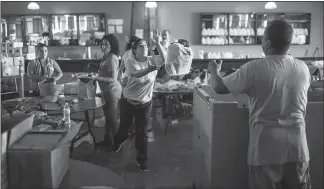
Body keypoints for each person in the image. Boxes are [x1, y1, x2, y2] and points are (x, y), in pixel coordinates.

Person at [207, 20, 311, 189]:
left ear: (268, 43)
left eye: (263, 38)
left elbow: (219, 87)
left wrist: (214, 71)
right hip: (298, 149)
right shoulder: (303, 68)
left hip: (265, 150)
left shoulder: (255, 68)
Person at [112, 30, 167, 171]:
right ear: (134, 50)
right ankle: (118, 141)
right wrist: (150, 69)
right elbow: (136, 74)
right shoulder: (130, 61)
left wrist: (158, 43)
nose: (144, 47)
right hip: (128, 101)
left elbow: (165, 59)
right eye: (140, 46)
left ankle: (142, 160)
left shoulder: (152, 59)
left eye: (145, 45)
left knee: (141, 132)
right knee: (124, 127)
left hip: (145, 103)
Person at [90, 34, 122, 149]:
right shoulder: (106, 57)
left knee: (112, 118)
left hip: (113, 91)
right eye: (102, 44)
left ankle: (118, 143)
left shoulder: (112, 57)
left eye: (106, 44)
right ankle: (108, 140)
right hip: (106, 91)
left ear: (112, 45)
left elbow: (113, 78)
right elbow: (104, 73)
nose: (104, 46)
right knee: (108, 117)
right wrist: (96, 75)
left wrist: (96, 78)